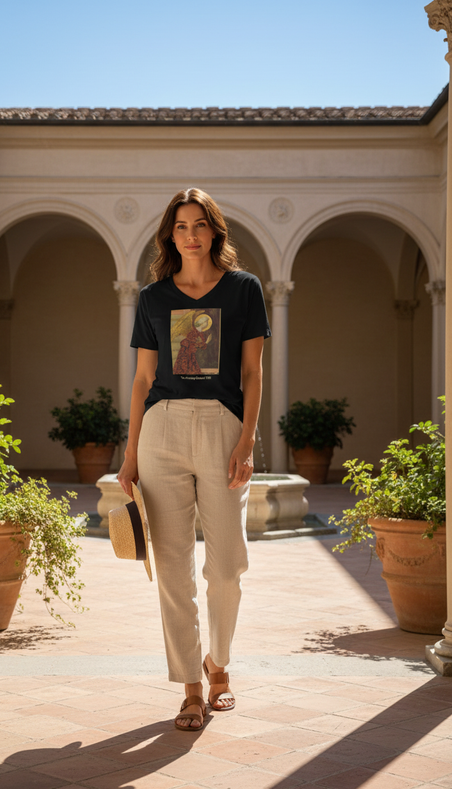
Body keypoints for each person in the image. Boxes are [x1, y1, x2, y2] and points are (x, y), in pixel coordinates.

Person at [117, 187, 271, 731]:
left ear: (214, 230)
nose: (191, 235)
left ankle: (218, 663)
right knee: (172, 569)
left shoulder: (244, 289)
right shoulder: (153, 297)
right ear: (170, 236)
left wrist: (247, 441)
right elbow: (142, 380)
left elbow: (252, 372)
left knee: (227, 566)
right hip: (161, 429)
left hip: (223, 427)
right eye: (181, 226)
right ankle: (190, 686)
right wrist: (130, 454)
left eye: (200, 224)